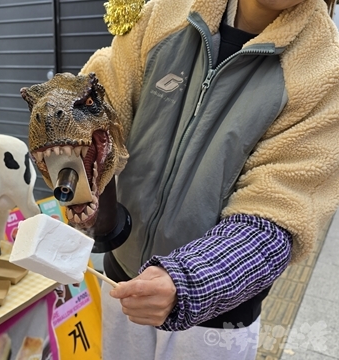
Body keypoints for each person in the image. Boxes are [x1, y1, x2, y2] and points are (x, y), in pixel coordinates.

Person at [79, 0, 339, 359]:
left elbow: (278, 215)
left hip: (213, 312)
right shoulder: (164, 14)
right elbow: (105, 97)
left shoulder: (324, 73)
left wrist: (190, 282)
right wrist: (70, 125)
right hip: (121, 277)